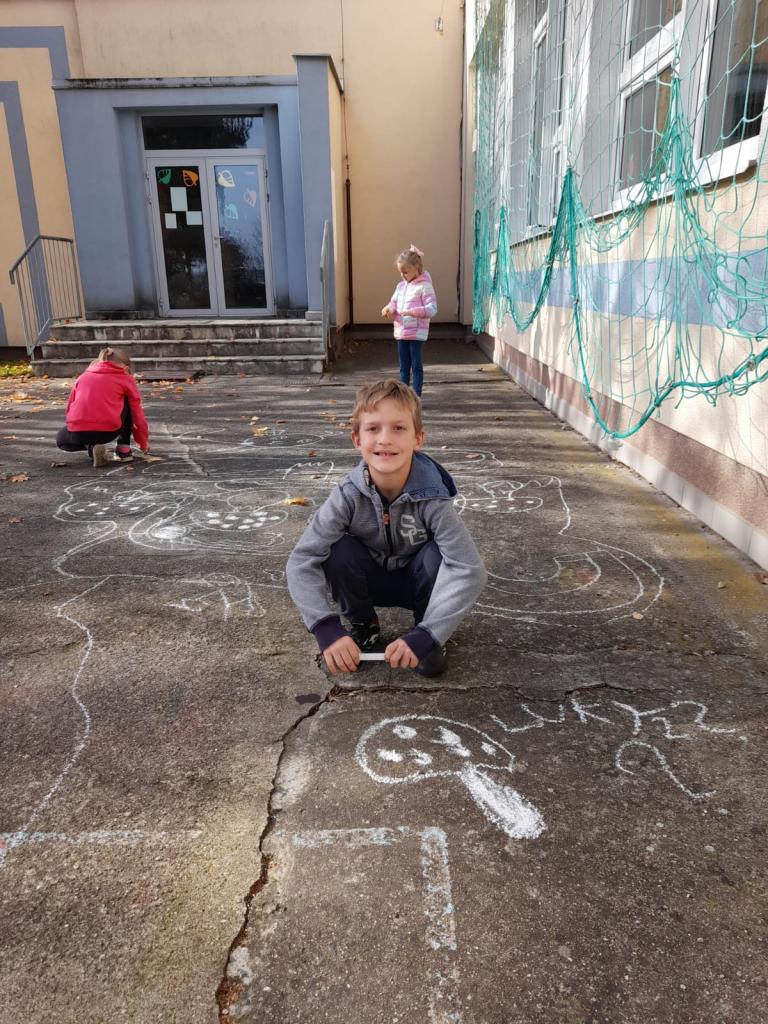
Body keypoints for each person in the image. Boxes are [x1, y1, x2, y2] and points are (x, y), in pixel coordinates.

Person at [286, 379, 486, 677]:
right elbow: (302, 559)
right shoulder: (346, 496)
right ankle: (363, 624)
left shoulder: (433, 498)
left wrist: (431, 632)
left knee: (439, 555)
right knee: (337, 550)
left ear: (418, 439)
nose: (385, 439)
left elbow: (470, 568)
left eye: (399, 428)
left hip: (417, 582)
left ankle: (425, 632)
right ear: (357, 440)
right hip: (368, 580)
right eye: (373, 428)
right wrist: (325, 627)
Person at [56, 346, 150, 467]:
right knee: (129, 402)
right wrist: (142, 444)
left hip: (78, 432)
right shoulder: (125, 378)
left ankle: (91, 446)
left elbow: (69, 407)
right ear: (126, 368)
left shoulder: (82, 377)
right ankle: (124, 449)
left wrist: (74, 427)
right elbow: (137, 415)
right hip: (108, 431)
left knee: (61, 440)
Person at [381, 244, 437, 396]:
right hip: (402, 332)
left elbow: (432, 309)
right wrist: (388, 309)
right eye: (400, 272)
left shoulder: (425, 286)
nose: (402, 275)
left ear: (416, 268)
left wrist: (413, 312)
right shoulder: (400, 286)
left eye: (405, 272)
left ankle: (416, 396)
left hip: (416, 333)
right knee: (403, 366)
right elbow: (393, 302)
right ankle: (403, 396)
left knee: (416, 365)